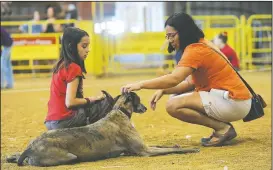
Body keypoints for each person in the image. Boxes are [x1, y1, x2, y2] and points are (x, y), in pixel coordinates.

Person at [121, 13, 252, 147]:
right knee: (175, 99)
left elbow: (174, 78)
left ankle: (223, 129)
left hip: (232, 101)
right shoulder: (202, 43)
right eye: (167, 36)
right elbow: (189, 83)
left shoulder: (194, 50)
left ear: (183, 32)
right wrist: (163, 90)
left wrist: (141, 84)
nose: (170, 40)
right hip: (236, 101)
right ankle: (222, 128)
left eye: (172, 35)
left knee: (173, 105)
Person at [45, 27, 113, 130]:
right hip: (64, 120)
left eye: (88, 46)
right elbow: (70, 102)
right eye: (84, 46)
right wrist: (92, 99)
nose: (88, 50)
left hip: (51, 121)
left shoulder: (60, 65)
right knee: (104, 104)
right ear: (71, 47)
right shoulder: (73, 68)